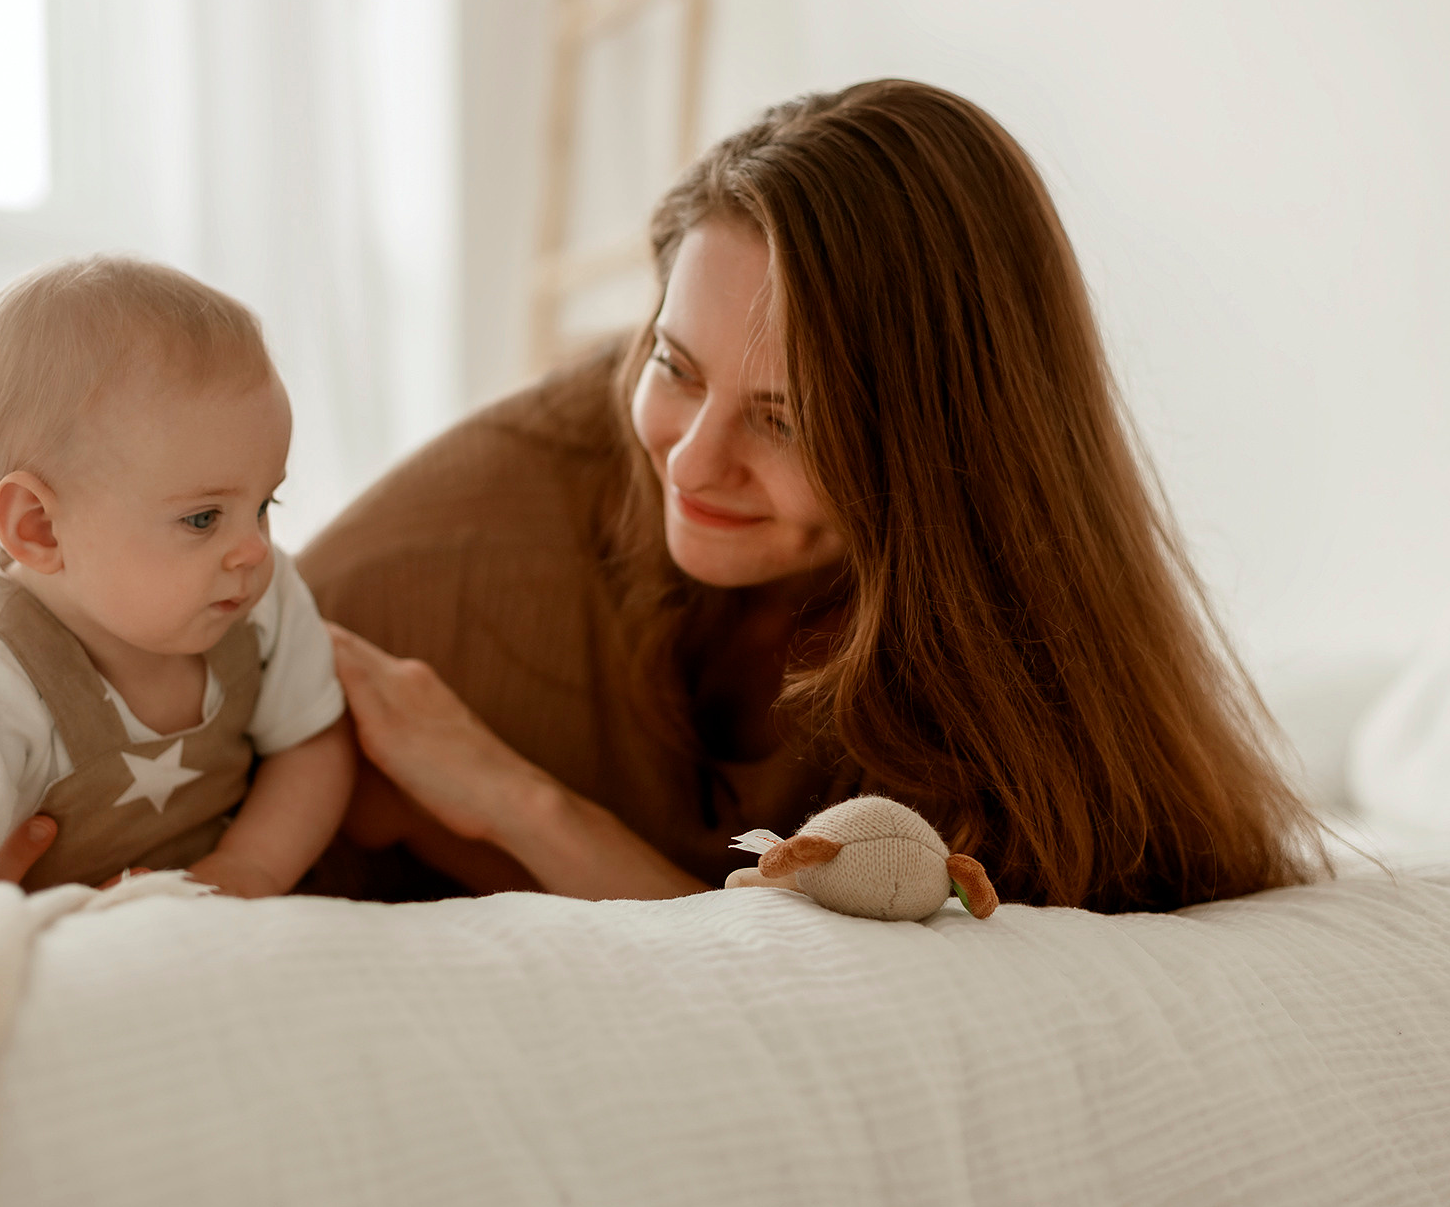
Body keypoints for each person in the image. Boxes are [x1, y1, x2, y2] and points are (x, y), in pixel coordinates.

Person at [302, 79, 1325, 914]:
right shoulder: (505, 513)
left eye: (784, 421)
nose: (690, 463)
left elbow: (844, 1000)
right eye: (673, 364)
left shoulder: (1017, 685)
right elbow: (240, 657)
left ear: (942, 458)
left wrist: (517, 805)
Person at [0, 257, 353, 897]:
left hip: (212, 915)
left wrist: (245, 870)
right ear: (41, 528)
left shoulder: (262, 600)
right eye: (203, 518)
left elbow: (312, 745)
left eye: (264, 504)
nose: (255, 549)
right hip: (58, 934)